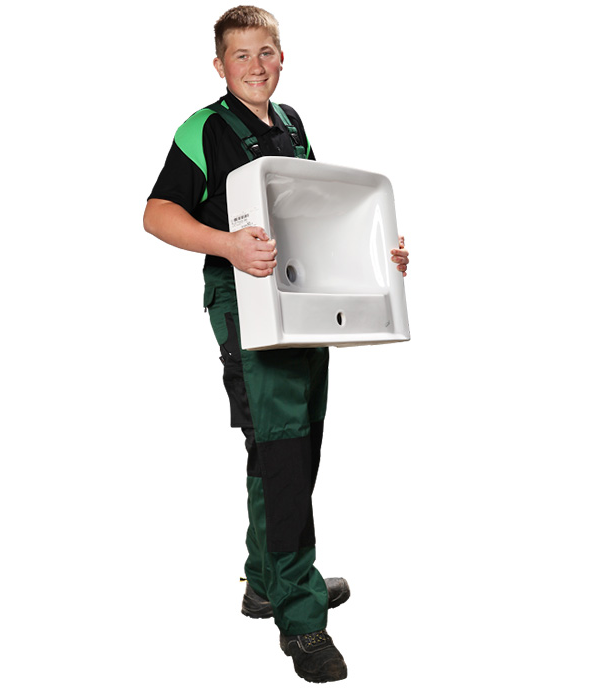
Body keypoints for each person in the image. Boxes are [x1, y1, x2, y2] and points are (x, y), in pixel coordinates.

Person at [143, 6, 409, 683]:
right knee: (283, 451)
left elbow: (316, 213)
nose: (255, 66)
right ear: (219, 65)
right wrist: (227, 244)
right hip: (245, 306)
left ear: (282, 57)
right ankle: (300, 615)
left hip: (299, 298)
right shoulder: (203, 129)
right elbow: (157, 213)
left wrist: (379, 256)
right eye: (241, 55)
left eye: (266, 52)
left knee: (293, 443)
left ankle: (266, 578)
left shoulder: (292, 125)